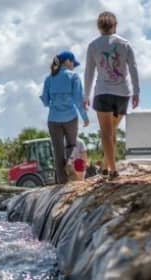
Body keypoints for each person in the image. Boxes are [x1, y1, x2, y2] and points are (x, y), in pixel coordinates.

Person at [83, 11, 140, 180]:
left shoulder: (93, 45)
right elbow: (134, 68)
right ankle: (106, 167)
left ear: (99, 27)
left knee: (107, 133)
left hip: (103, 93)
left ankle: (112, 170)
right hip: (123, 93)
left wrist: (86, 95)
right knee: (112, 131)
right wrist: (137, 91)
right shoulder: (125, 44)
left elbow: (89, 72)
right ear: (115, 25)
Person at [40, 51, 89, 184]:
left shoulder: (49, 78)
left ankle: (62, 182)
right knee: (71, 146)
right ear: (67, 61)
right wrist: (85, 117)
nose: (74, 66)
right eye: (73, 63)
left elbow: (45, 101)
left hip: (53, 119)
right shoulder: (74, 77)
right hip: (70, 118)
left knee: (58, 151)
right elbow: (79, 100)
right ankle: (70, 168)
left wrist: (54, 102)